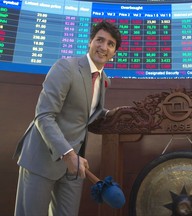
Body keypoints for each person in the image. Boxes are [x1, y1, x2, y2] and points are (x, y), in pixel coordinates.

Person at [13, 20, 122, 216]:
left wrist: (111, 114)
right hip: (42, 158)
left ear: (114, 53)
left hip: (74, 167)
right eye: (100, 40)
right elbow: (44, 115)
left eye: (110, 44)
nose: (103, 47)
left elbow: (86, 113)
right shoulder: (66, 67)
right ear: (90, 42)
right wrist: (68, 154)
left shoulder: (105, 80)